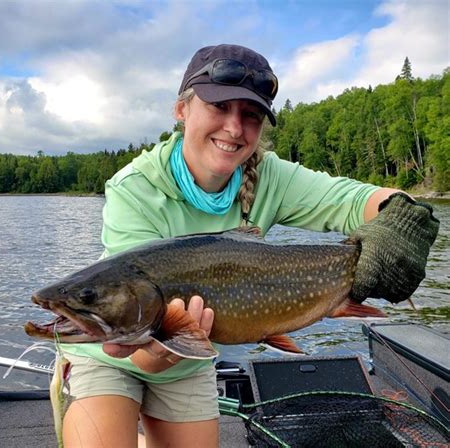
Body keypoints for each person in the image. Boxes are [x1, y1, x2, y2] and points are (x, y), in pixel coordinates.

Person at [60, 44, 439, 447]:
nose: (235, 128)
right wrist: (172, 334)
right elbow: (137, 346)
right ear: (182, 110)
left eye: (250, 115)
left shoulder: (270, 175)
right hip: (111, 353)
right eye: (219, 107)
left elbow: (364, 200)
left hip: (189, 361)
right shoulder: (135, 188)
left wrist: (404, 220)